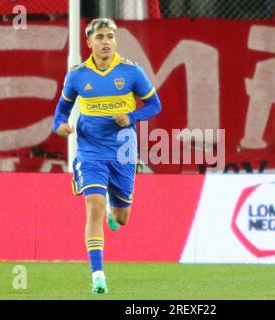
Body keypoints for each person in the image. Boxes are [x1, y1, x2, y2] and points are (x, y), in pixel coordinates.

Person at [52, 18, 161, 294]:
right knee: (93, 204)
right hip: (90, 150)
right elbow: (61, 111)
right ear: (89, 42)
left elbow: (155, 105)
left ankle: (116, 209)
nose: (106, 42)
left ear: (115, 41)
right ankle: (97, 275)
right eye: (100, 37)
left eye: (110, 37)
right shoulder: (77, 75)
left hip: (123, 149)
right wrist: (60, 127)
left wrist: (132, 116)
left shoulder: (131, 72)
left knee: (121, 217)